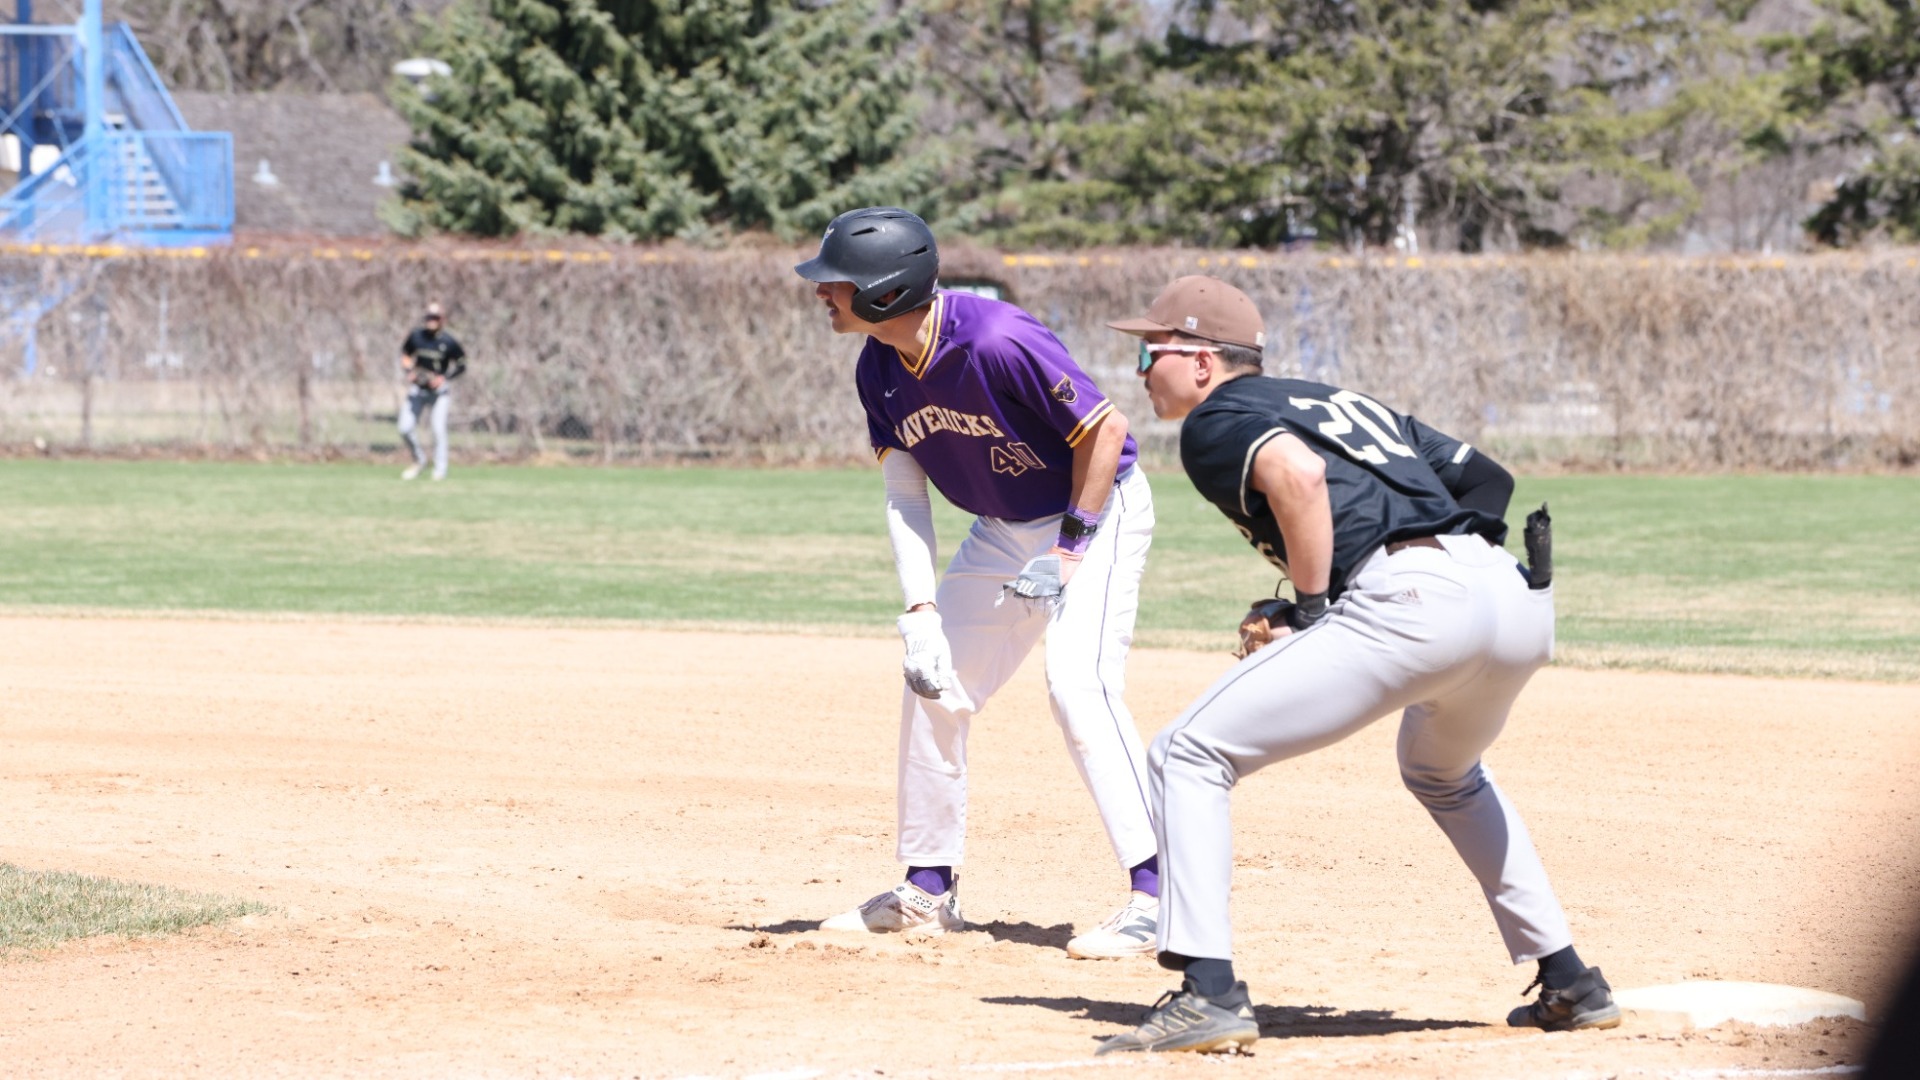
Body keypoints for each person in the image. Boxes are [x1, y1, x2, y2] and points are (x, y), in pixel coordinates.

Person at [1094, 275, 1618, 1054]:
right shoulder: (1341, 401)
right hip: (1511, 600)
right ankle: (1571, 979)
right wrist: (1414, 581)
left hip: (1411, 602)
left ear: (1203, 361)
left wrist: (1311, 615)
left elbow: (1298, 480)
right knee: (1443, 772)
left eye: (1152, 350)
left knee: (1188, 750)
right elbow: (1487, 481)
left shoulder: (1219, 419)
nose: (1141, 369)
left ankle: (1208, 990)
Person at [794, 207, 1162, 959]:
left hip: (1092, 513)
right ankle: (927, 890)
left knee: (1078, 685)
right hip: (1001, 530)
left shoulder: (995, 338)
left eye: (836, 283)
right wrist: (920, 609)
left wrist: (1068, 553)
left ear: (887, 292)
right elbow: (905, 493)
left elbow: (1108, 430)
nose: (821, 294)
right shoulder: (878, 367)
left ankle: (1162, 897)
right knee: (934, 681)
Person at [397, 302, 467, 481]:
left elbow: (461, 364)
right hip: (418, 389)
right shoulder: (417, 337)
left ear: (442, 320)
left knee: (438, 429)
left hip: (439, 393)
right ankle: (419, 460)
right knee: (404, 428)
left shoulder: (448, 341)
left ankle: (440, 470)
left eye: (435, 318)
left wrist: (444, 378)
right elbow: (405, 355)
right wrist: (409, 372)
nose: (432, 321)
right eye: (429, 317)